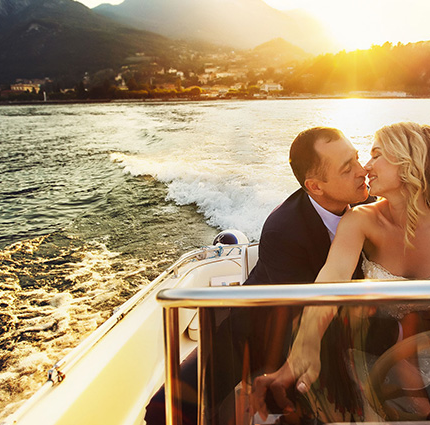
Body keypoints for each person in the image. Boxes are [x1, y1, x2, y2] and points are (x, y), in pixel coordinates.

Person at [253, 122, 430, 422]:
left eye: (375, 155)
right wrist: (303, 350)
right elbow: (329, 284)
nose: (365, 168)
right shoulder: (359, 220)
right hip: (376, 356)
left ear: (409, 163)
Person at [144, 127, 373, 424]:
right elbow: (300, 318)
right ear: (315, 187)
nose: (362, 169)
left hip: (345, 329)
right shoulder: (284, 229)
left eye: (357, 158)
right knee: (165, 410)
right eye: (348, 168)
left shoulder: (373, 207)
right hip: (258, 330)